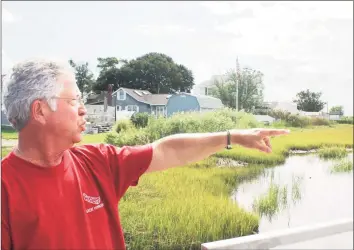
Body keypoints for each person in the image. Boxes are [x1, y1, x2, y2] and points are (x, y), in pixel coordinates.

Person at [1, 59, 289, 250]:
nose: (83, 108)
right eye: (74, 100)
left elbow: (168, 150)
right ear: (39, 110)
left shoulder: (98, 161)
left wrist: (233, 136)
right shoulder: (5, 188)